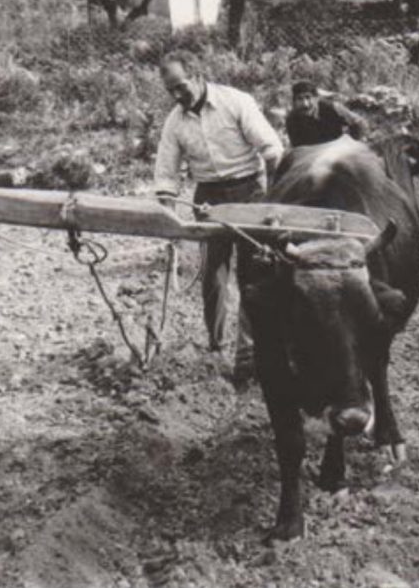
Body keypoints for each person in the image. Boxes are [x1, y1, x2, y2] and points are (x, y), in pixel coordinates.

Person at [153, 50, 284, 382]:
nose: (177, 96)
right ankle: (216, 346)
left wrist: (273, 200)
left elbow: (271, 149)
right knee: (213, 275)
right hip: (208, 198)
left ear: (198, 76)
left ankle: (249, 353)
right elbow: (167, 175)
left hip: (249, 192)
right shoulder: (175, 122)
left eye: (181, 86)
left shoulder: (235, 102)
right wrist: (168, 222)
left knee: (253, 275)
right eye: (170, 90)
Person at [285, 80, 369, 148]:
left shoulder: (332, 108)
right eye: (300, 99)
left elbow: (359, 123)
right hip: (313, 155)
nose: (305, 104)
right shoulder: (292, 120)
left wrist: (352, 142)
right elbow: (298, 147)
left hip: (338, 149)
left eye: (308, 97)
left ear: (316, 98)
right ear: (294, 102)